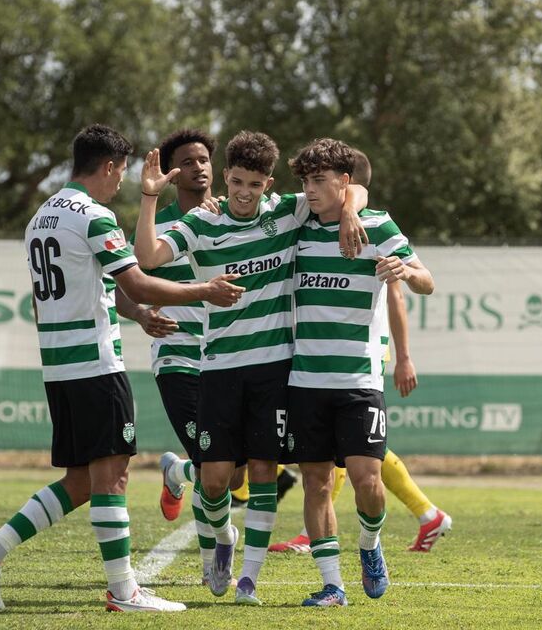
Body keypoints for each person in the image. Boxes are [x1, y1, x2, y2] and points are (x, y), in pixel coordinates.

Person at [0, 124, 244, 614]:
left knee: (83, 481)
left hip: (59, 364)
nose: (120, 185)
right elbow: (141, 280)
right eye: (121, 174)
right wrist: (205, 291)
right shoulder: (94, 216)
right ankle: (123, 590)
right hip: (95, 361)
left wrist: (135, 314)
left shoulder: (41, 217)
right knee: (112, 477)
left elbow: (90, 290)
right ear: (109, 167)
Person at [134, 130, 367, 605]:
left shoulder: (286, 211)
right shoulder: (202, 222)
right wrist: (148, 198)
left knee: (263, 470)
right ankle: (222, 540)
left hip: (274, 370)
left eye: (255, 184)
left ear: (269, 184)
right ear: (226, 177)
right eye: (237, 181)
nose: (244, 193)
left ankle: (249, 581)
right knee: (218, 479)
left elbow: (354, 186)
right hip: (218, 369)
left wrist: (348, 213)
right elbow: (145, 258)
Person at [271, 150, 452, 555]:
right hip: (304, 379)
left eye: (319, 181)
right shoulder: (296, 226)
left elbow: (427, 282)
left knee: (366, 480)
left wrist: (405, 271)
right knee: (316, 483)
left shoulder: (378, 226)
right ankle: (332, 583)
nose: (309, 190)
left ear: (344, 181)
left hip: (358, 378)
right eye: (305, 182)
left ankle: (371, 545)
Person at [125, 127, 247, 583]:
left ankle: (176, 472)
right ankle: (215, 553)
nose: (198, 167)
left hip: (229, 359)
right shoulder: (157, 229)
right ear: (172, 174)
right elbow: (126, 285)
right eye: (188, 161)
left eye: (203, 159)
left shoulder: (234, 216)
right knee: (211, 468)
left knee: (232, 476)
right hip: (178, 358)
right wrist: (140, 314)